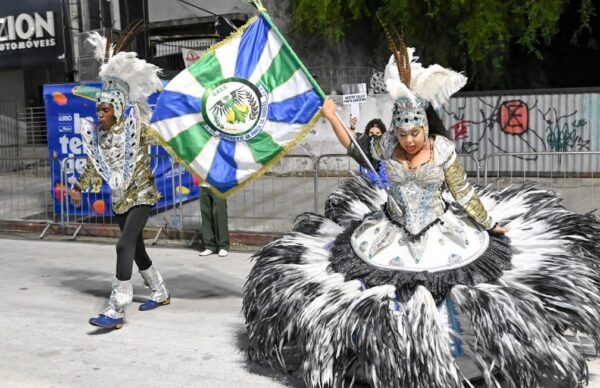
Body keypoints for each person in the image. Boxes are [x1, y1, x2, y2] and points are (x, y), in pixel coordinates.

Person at [242, 43, 600, 387]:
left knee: (447, 294)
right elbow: (352, 146)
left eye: (414, 133)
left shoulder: (443, 150)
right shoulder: (386, 146)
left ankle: (452, 359)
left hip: (441, 232)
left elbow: (462, 192)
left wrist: (490, 224)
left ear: (425, 129)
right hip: (390, 232)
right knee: (384, 294)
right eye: (402, 133)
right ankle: (384, 357)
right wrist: (332, 116)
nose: (409, 140)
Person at [68, 32, 170, 330]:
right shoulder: (98, 134)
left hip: (141, 195)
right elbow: (93, 164)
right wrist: (77, 187)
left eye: (105, 108)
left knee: (123, 245)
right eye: (98, 108)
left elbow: (165, 134)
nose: (100, 113)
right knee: (136, 248)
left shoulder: (137, 128)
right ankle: (160, 290)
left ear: (118, 106)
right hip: (119, 197)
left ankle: (116, 308)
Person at [198, 183, 230, 257]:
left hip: (218, 183)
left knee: (220, 214)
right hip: (203, 183)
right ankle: (210, 246)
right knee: (206, 214)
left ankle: (223, 245)